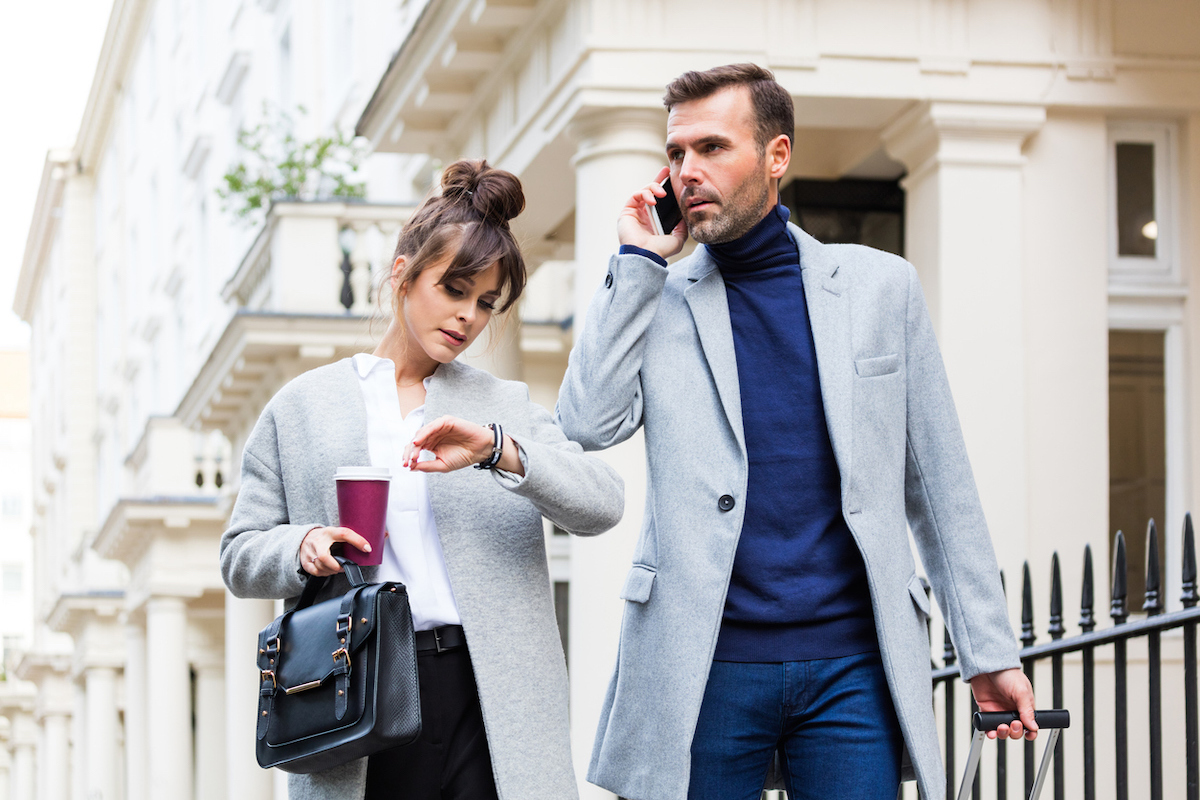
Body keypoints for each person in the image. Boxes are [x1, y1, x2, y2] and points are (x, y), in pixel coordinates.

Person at [556, 64, 1036, 800]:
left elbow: (938, 485)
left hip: (851, 667)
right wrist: (637, 262)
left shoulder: (881, 289)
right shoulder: (656, 296)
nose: (688, 171)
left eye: (712, 147)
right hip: (703, 665)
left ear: (777, 156)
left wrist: (987, 650)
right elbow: (587, 423)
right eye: (677, 153)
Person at [220, 159, 624, 800]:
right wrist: (301, 547)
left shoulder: (505, 405)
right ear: (403, 273)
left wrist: (498, 450)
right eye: (455, 289)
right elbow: (239, 555)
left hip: (491, 692)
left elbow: (603, 503)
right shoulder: (300, 408)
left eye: (486, 303)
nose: (468, 317)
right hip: (363, 684)